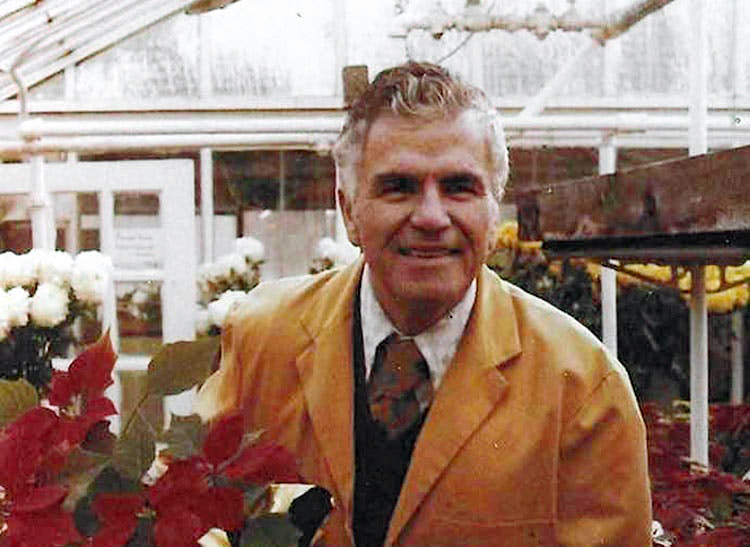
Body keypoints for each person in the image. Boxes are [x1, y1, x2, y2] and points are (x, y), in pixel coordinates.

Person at [196, 61, 652, 546]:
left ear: (493, 210)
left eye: (459, 187)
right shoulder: (262, 339)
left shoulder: (581, 385)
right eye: (399, 187)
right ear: (349, 211)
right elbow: (189, 509)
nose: (432, 217)